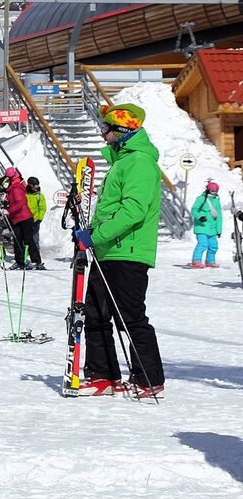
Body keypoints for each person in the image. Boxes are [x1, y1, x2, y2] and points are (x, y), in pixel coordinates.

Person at [72, 103, 165, 398]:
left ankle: (148, 377)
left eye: (106, 130)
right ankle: (103, 375)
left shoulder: (139, 162)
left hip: (128, 252)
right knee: (95, 314)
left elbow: (133, 210)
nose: (103, 135)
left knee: (130, 316)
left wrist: (95, 236)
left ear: (122, 132)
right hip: (108, 252)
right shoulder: (121, 163)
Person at [3, 167, 41, 270]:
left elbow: (21, 203)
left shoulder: (16, 188)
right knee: (17, 239)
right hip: (17, 218)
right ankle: (19, 261)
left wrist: (9, 211)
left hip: (24, 217)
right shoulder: (12, 187)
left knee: (28, 240)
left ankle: (36, 261)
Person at [190, 181, 224, 268]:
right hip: (202, 227)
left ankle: (210, 261)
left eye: (216, 191)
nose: (214, 193)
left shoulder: (216, 201)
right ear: (208, 190)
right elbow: (194, 209)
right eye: (212, 191)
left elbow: (219, 217)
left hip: (212, 228)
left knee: (213, 246)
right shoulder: (201, 199)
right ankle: (196, 261)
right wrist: (200, 217)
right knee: (203, 244)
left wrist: (219, 230)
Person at [25, 176, 48, 267]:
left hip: (35, 221)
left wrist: (38, 219)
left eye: (38, 186)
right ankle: (25, 257)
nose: (36, 188)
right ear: (30, 185)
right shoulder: (24, 194)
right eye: (35, 186)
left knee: (34, 240)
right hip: (25, 220)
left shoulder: (39, 196)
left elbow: (42, 209)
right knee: (25, 240)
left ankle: (36, 259)